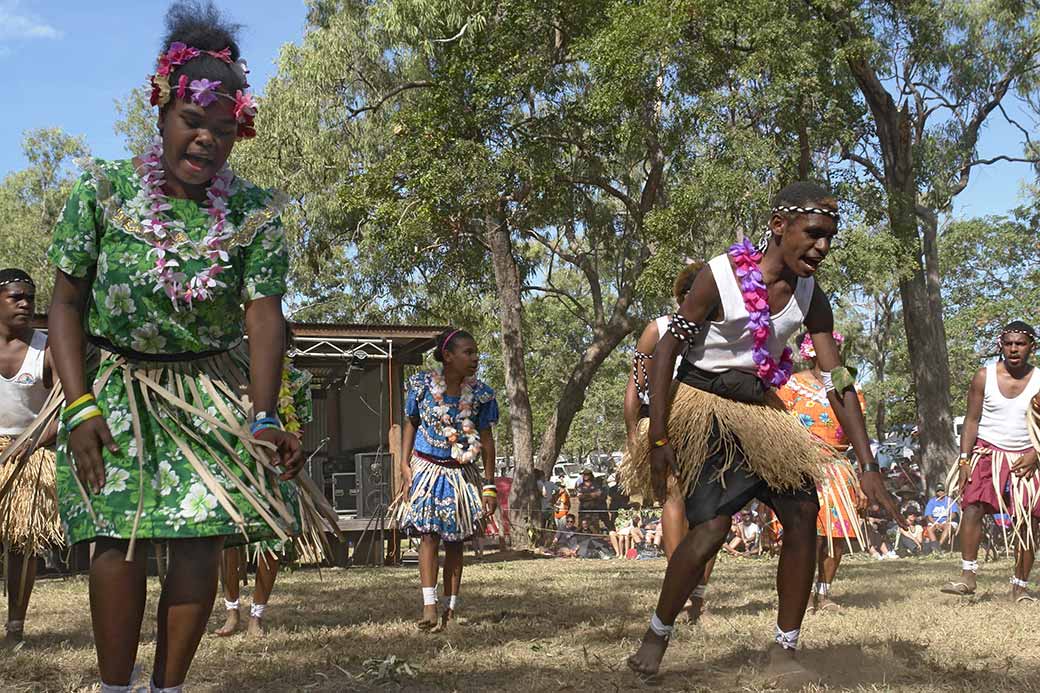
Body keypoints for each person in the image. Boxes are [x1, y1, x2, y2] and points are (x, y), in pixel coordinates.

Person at [0, 5, 347, 690]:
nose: (206, 141)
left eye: (224, 130)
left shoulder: (257, 213)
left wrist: (266, 412)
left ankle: (168, 687)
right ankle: (114, 684)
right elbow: (66, 303)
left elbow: (265, 316)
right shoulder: (101, 191)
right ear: (161, 109)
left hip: (208, 397)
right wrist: (77, 406)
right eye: (193, 122)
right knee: (115, 542)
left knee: (197, 540)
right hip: (112, 390)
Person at [625, 182, 903, 686]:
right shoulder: (719, 276)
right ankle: (658, 633)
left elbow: (838, 380)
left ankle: (785, 647)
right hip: (704, 409)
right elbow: (667, 351)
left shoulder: (812, 297)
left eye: (830, 238)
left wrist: (867, 464)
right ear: (779, 226)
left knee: (803, 514)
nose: (822, 248)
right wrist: (659, 437)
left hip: (762, 409)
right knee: (710, 529)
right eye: (814, 234)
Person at [620, 262, 714, 620]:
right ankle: (681, 585)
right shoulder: (657, 330)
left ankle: (697, 594)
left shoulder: (721, 332)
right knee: (674, 495)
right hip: (665, 422)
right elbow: (634, 390)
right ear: (683, 296)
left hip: (709, 423)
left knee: (712, 511)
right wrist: (634, 438)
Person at [395, 328, 498, 632]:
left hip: (460, 473)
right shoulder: (421, 385)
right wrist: (403, 463)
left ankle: (451, 609)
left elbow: (488, 441)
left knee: (455, 541)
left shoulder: (481, 394)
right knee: (427, 535)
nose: (475, 358)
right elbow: (410, 423)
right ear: (448, 356)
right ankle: (429, 606)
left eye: (476, 352)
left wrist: (489, 486)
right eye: (468, 352)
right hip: (426, 468)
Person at [215, 330, 314, 637]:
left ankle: (257, 616)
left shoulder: (298, 381)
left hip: (275, 468)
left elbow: (299, 428)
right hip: (236, 465)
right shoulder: (231, 375)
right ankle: (231, 612)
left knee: (273, 541)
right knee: (229, 541)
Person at [942, 321, 1040, 602]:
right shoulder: (983, 376)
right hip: (987, 452)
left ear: (1031, 346)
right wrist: (964, 461)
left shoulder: (1039, 380)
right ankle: (968, 575)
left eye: (1020, 344)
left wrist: (1035, 453)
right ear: (1001, 345)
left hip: (1026, 457)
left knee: (1029, 523)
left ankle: (1019, 588)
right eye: (1008, 343)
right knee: (971, 507)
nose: (1013, 349)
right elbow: (971, 421)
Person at [777, 331, 867, 612]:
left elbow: (859, 432)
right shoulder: (792, 384)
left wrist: (864, 476)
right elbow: (778, 425)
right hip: (800, 468)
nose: (835, 351)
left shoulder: (846, 384)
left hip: (838, 468)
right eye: (828, 346)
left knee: (836, 534)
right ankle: (799, 595)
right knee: (807, 534)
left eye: (837, 346)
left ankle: (824, 594)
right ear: (810, 351)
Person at [0, 269, 62, 643]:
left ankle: (15, 626)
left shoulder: (47, 348)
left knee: (22, 540)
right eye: (15, 297)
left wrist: (33, 441)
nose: (25, 303)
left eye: (30, 297)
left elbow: (64, 407)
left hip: (30, 449)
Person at [924, 484, 958, 548]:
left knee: (948, 527)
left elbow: (954, 514)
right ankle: (935, 546)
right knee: (929, 529)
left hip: (947, 521)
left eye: (942, 490)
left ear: (944, 491)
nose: (940, 492)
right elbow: (928, 515)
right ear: (936, 492)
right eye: (938, 491)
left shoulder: (949, 500)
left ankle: (938, 546)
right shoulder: (932, 501)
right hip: (935, 521)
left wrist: (946, 521)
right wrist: (935, 523)